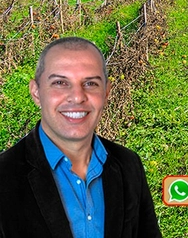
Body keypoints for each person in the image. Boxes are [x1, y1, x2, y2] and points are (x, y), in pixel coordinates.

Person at [0, 37, 162, 238]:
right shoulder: (4, 177)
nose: (77, 97)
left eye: (90, 83)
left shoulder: (129, 165)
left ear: (106, 92)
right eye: (60, 83)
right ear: (36, 92)